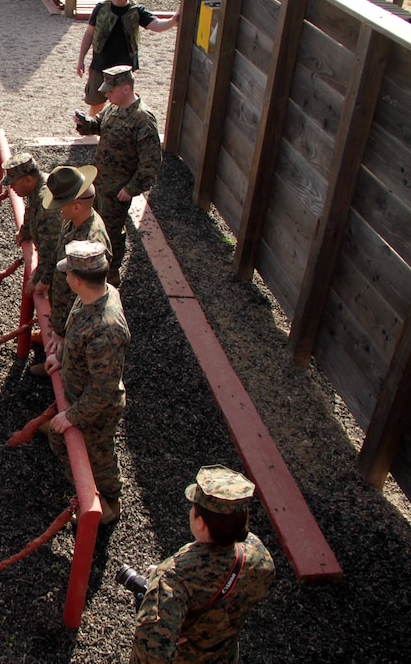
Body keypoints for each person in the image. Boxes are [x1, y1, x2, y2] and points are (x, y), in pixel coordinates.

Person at [130, 465, 276, 662]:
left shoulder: (173, 580)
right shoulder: (258, 554)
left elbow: (150, 655)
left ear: (200, 522)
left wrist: (162, 584)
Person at [44, 240, 130, 525]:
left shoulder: (105, 329)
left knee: (98, 454)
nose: (64, 276)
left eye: (68, 273)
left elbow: (103, 388)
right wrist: (64, 359)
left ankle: (107, 503)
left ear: (77, 281)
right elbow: (76, 334)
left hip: (95, 410)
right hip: (79, 393)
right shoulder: (96, 295)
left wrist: (72, 416)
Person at [74, 65, 161, 285]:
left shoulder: (143, 120)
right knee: (94, 227)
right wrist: (85, 124)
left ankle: (109, 275)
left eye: (110, 91)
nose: (106, 94)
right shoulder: (114, 108)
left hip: (117, 190)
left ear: (125, 88)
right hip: (101, 183)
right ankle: (91, 269)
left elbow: (150, 163)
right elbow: (99, 125)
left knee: (111, 234)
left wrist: (131, 189)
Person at [76, 0, 180, 116]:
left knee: (123, 102)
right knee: (96, 101)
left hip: (124, 66)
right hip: (100, 63)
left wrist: (173, 20)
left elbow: (156, 25)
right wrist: (81, 59)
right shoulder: (101, 8)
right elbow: (89, 34)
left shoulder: (137, 11)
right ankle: (91, 129)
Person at [40, 165, 110, 361]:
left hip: (76, 326)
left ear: (77, 206)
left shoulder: (90, 244)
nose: (59, 210)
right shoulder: (73, 220)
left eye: (61, 204)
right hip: (62, 311)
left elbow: (84, 296)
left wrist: (64, 334)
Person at [2, 153, 62, 370]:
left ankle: (59, 363)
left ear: (29, 179)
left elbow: (52, 250)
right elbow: (30, 213)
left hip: (65, 268)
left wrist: (41, 279)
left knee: (63, 309)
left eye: (14, 183)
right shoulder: (36, 192)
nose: (12, 188)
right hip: (58, 261)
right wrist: (26, 231)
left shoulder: (47, 202)